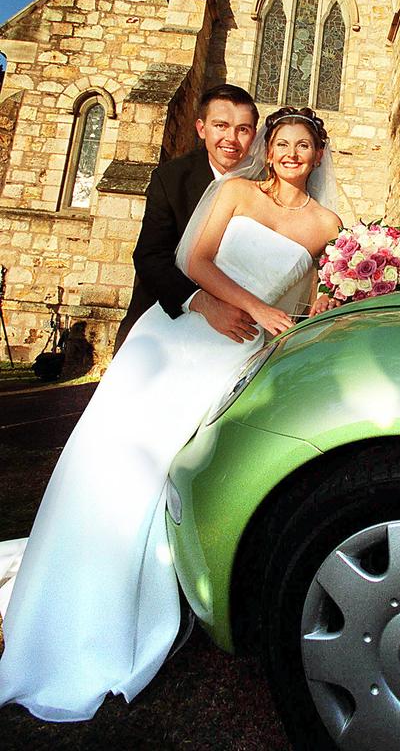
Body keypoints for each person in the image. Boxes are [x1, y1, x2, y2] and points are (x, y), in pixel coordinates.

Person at [0, 106, 341, 722]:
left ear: (319, 154)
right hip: (178, 338)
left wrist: (307, 317)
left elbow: (304, 300)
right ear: (270, 148)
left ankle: (145, 592)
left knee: (173, 475)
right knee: (120, 460)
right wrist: (248, 308)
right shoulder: (236, 189)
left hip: (236, 359)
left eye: (303, 145)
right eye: (282, 143)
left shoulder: (327, 223)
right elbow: (196, 261)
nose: (291, 153)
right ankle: (74, 598)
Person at [113, 83, 262, 353]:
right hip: (167, 318)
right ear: (201, 128)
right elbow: (150, 256)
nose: (231, 138)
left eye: (243, 129)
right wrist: (203, 303)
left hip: (242, 330)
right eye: (221, 126)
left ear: (254, 135)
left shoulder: (266, 185)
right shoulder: (172, 178)